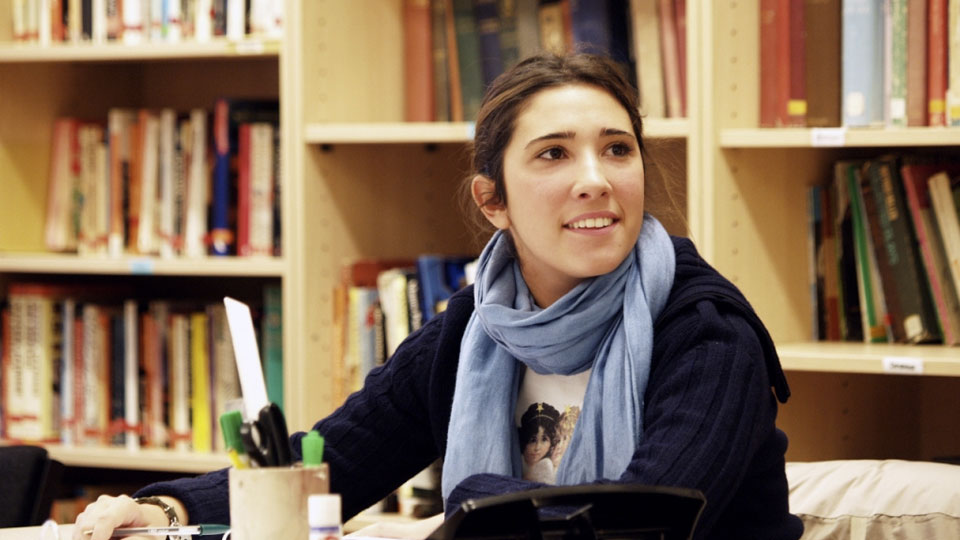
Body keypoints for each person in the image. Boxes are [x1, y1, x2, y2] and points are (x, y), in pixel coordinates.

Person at [73, 52, 803, 540]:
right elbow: (336, 460)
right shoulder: (474, 329)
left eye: (617, 149)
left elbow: (640, 524)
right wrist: (164, 507)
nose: (596, 179)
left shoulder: (707, 333)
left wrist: (470, 511)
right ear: (492, 200)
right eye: (554, 153)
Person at [517, 402, 560, 483]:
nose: (537, 447)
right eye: (533, 440)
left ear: (551, 443)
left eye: (544, 439)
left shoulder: (546, 465)